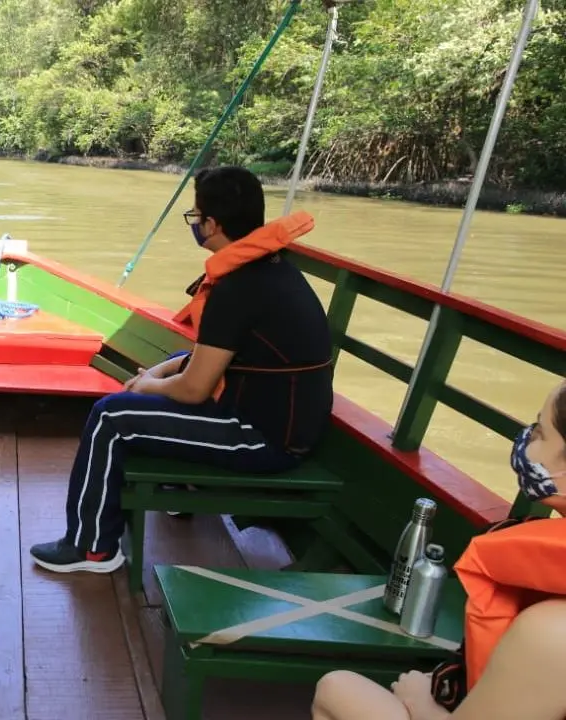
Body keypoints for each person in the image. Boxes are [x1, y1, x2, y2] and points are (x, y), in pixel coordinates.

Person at [30, 165, 334, 573]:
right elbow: (207, 358)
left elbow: (193, 389)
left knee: (110, 416)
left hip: (262, 439)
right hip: (279, 422)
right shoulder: (267, 269)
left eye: (195, 217)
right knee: (146, 393)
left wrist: (144, 387)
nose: (195, 224)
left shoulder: (237, 289)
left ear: (212, 224)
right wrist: (155, 375)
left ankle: (91, 548)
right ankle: (173, 483)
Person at [312, 379, 566, 720]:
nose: (526, 439)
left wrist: (421, 702)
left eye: (539, 433)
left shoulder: (551, 633)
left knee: (336, 688)